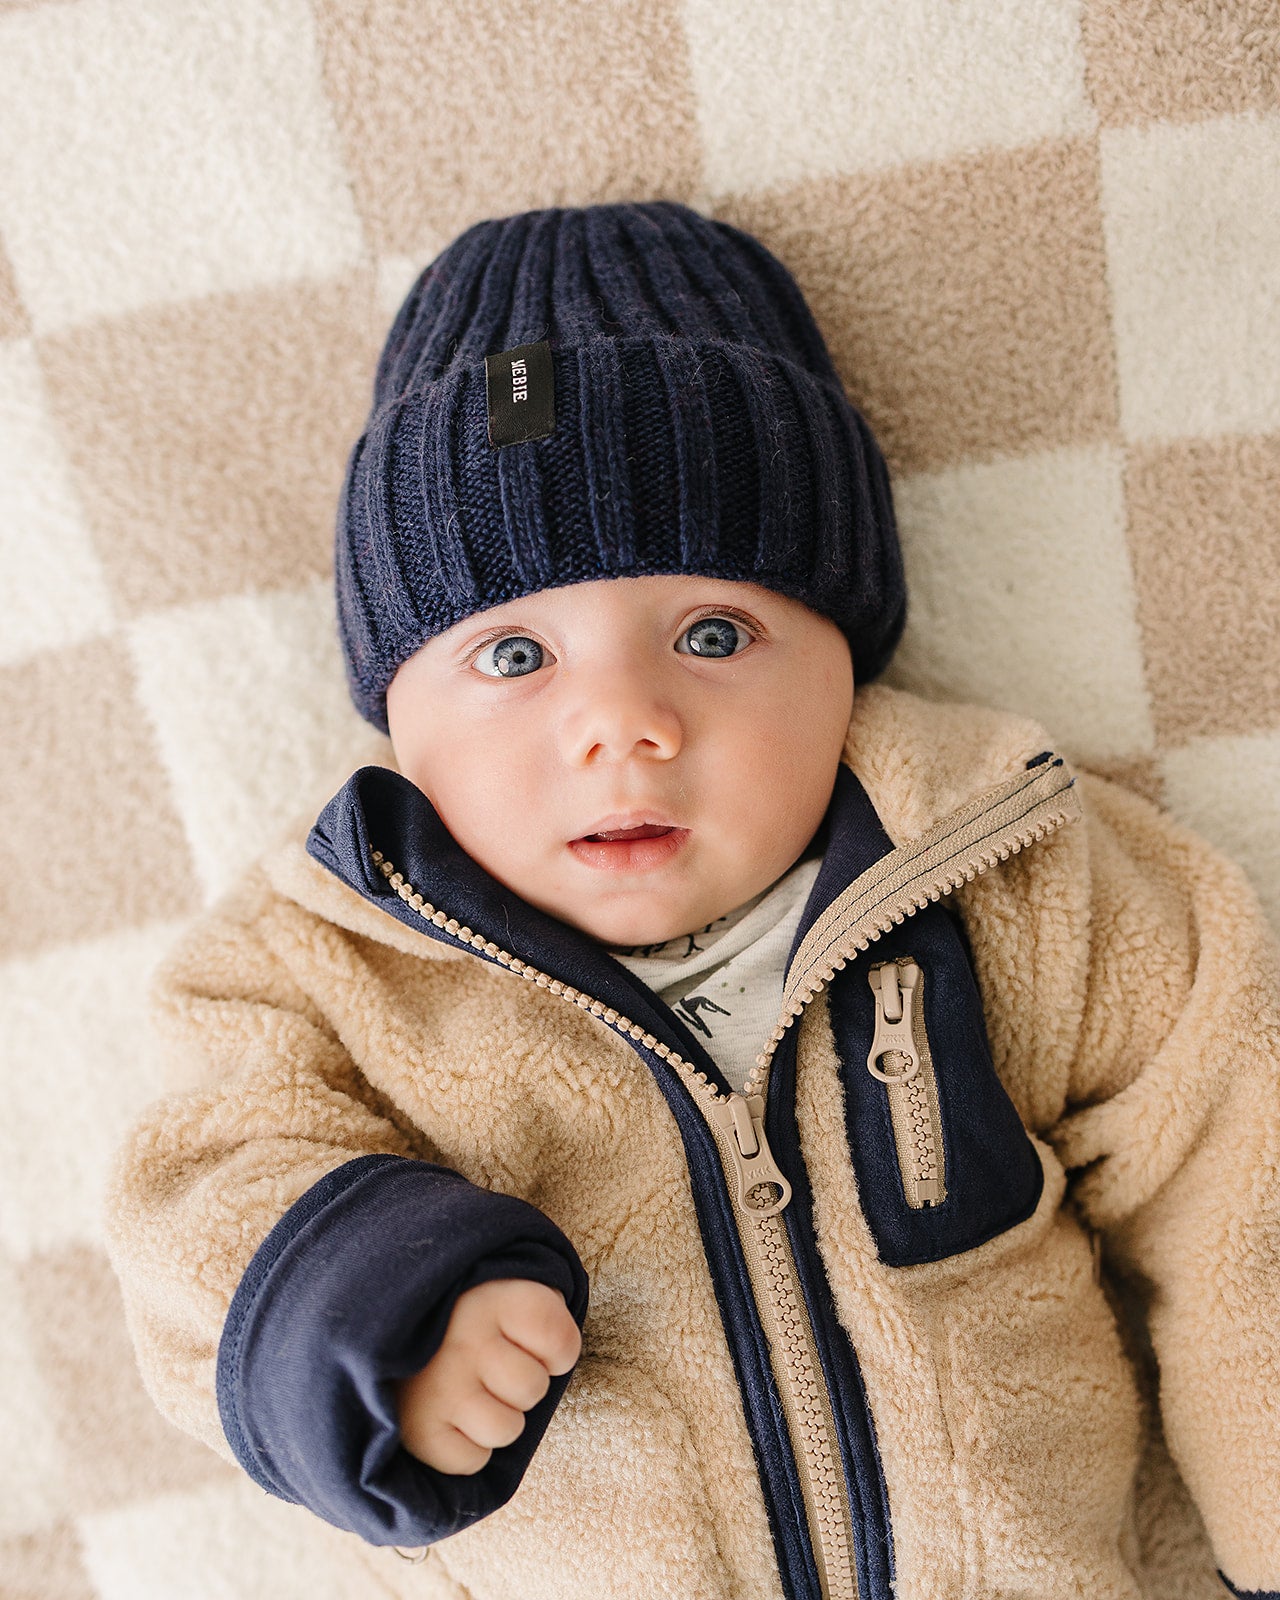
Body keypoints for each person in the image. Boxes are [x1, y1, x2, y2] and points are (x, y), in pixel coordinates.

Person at [106, 201, 1280, 1600]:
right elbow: (195, 1212)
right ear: (394, 721)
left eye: (713, 634)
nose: (625, 722)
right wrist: (376, 1315)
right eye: (515, 656)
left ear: (847, 663)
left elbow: (1239, 1173)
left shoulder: (1006, 865)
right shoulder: (323, 971)